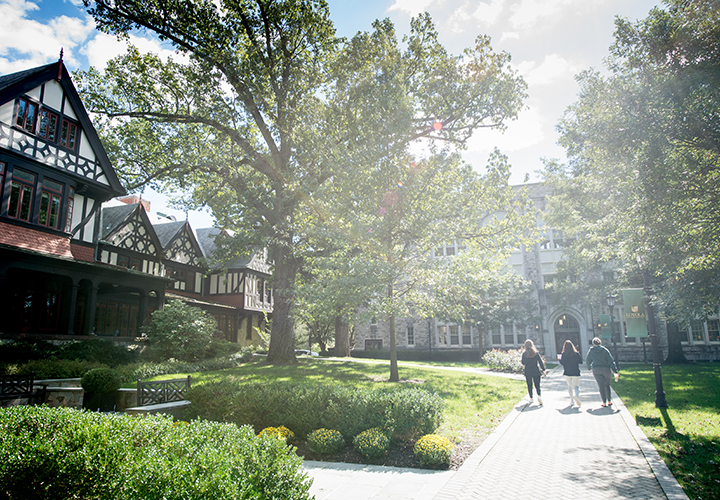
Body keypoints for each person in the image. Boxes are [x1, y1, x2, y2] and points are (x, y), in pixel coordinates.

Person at [586, 337, 618, 407]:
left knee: (601, 386)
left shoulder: (591, 351)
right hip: (606, 369)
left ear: (593, 343)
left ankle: (604, 402)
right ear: (600, 343)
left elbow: (588, 360)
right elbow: (611, 361)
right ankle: (609, 401)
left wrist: (589, 368)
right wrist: (615, 371)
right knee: (607, 385)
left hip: (596, 370)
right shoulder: (605, 350)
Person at [521, 339, 546, 405]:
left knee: (529, 385)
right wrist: (543, 369)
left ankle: (531, 398)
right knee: (537, 385)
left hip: (528, 371)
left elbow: (523, 362)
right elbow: (540, 362)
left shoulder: (524, 354)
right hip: (536, 370)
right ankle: (539, 396)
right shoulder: (536, 353)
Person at [559, 340, 582, 407]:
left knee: (569, 386)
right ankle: (576, 396)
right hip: (575, 372)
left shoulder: (564, 354)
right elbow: (581, 362)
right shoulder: (576, 354)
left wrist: (559, 359)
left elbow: (562, 363)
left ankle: (571, 401)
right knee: (576, 386)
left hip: (567, 372)